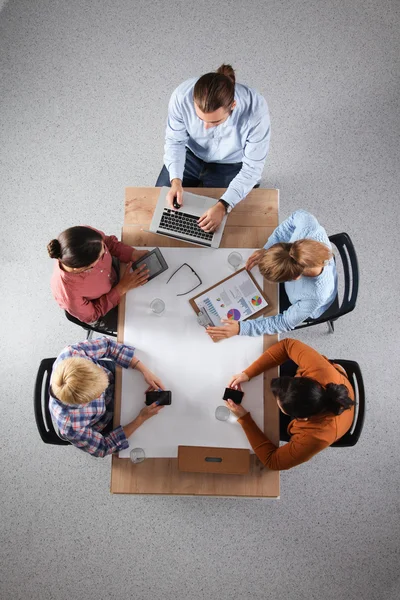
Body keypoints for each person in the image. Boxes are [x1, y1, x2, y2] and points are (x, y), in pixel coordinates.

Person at [156, 64, 271, 232]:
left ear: (233, 105)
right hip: (190, 155)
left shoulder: (256, 111)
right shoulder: (181, 97)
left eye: (215, 122)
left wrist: (223, 205)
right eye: (199, 118)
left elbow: (252, 168)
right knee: (160, 207)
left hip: (230, 164)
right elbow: (175, 142)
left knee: (229, 225)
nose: (206, 127)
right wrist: (176, 181)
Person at [224, 338, 355, 470]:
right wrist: (247, 373)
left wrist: (245, 419)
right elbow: (287, 344)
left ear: (301, 418)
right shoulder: (320, 369)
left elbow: (273, 462)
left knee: (268, 426)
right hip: (332, 390)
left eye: (279, 404)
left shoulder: (316, 437)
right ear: (304, 380)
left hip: (331, 426)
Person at [206, 210, 337, 340]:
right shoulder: (308, 225)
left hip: (302, 304)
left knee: (260, 317)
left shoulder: (317, 295)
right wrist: (267, 249)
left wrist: (241, 328)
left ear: (295, 278)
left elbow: (284, 322)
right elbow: (294, 218)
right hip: (296, 279)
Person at [50, 337, 166, 457]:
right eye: (99, 392)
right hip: (108, 417)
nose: (105, 388)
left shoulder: (72, 353)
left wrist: (143, 370)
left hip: (112, 373)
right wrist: (141, 418)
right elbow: (103, 446)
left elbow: (108, 346)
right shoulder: (71, 427)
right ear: (85, 401)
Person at [48, 226, 150, 326]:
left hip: (113, 275)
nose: (105, 251)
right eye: (101, 256)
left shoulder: (86, 236)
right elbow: (93, 315)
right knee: (145, 321)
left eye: (103, 248)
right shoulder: (69, 295)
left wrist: (132, 253)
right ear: (81, 269)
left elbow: (109, 243)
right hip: (105, 307)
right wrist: (121, 289)